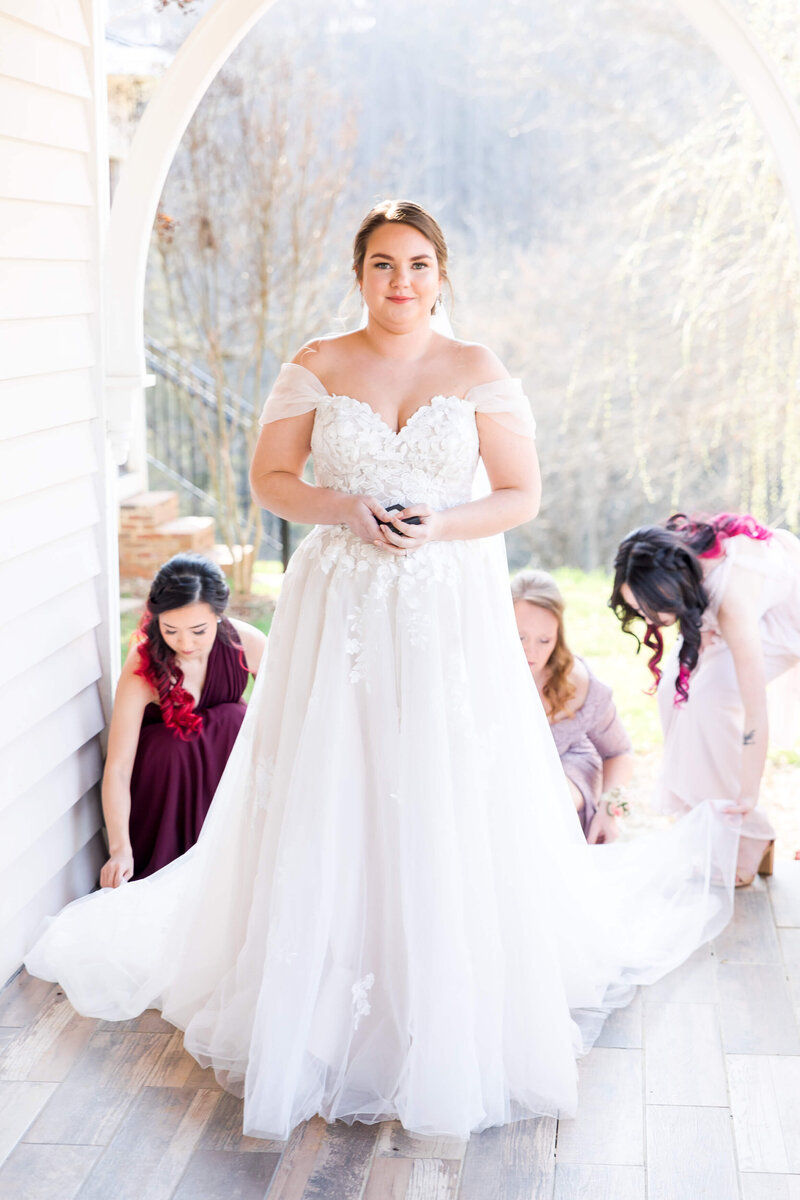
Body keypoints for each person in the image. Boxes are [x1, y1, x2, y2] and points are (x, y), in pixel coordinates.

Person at [25, 202, 740, 1142]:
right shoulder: (316, 365)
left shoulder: (479, 372)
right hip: (341, 602)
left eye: (417, 265)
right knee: (338, 774)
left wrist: (441, 523)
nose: (400, 283)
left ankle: (440, 992)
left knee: (440, 780)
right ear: (358, 274)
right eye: (380, 266)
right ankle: (316, 993)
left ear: (441, 273)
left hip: (444, 603)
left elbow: (523, 493)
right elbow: (270, 482)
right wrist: (342, 506)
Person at [611, 512, 800, 885]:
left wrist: (749, 793)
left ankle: (749, 832)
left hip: (786, 616)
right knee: (673, 689)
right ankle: (709, 815)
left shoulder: (731, 605)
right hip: (754, 601)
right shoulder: (677, 556)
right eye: (637, 610)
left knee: (711, 699)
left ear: (671, 590)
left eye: (649, 609)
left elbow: (754, 710)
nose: (646, 621)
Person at [101, 553, 266, 886]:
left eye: (198, 630)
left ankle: (236, 845)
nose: (185, 643)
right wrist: (120, 850)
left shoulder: (247, 643)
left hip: (224, 772)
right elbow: (118, 768)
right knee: (170, 744)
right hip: (167, 784)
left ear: (220, 615)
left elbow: (283, 719)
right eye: (171, 630)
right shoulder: (143, 661)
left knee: (236, 718)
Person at [512, 569, 633, 843]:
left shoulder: (578, 682)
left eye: (545, 640)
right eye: (520, 637)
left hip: (567, 767)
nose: (532, 650)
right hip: (506, 774)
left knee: (547, 803)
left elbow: (620, 751)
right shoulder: (475, 676)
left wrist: (609, 808)